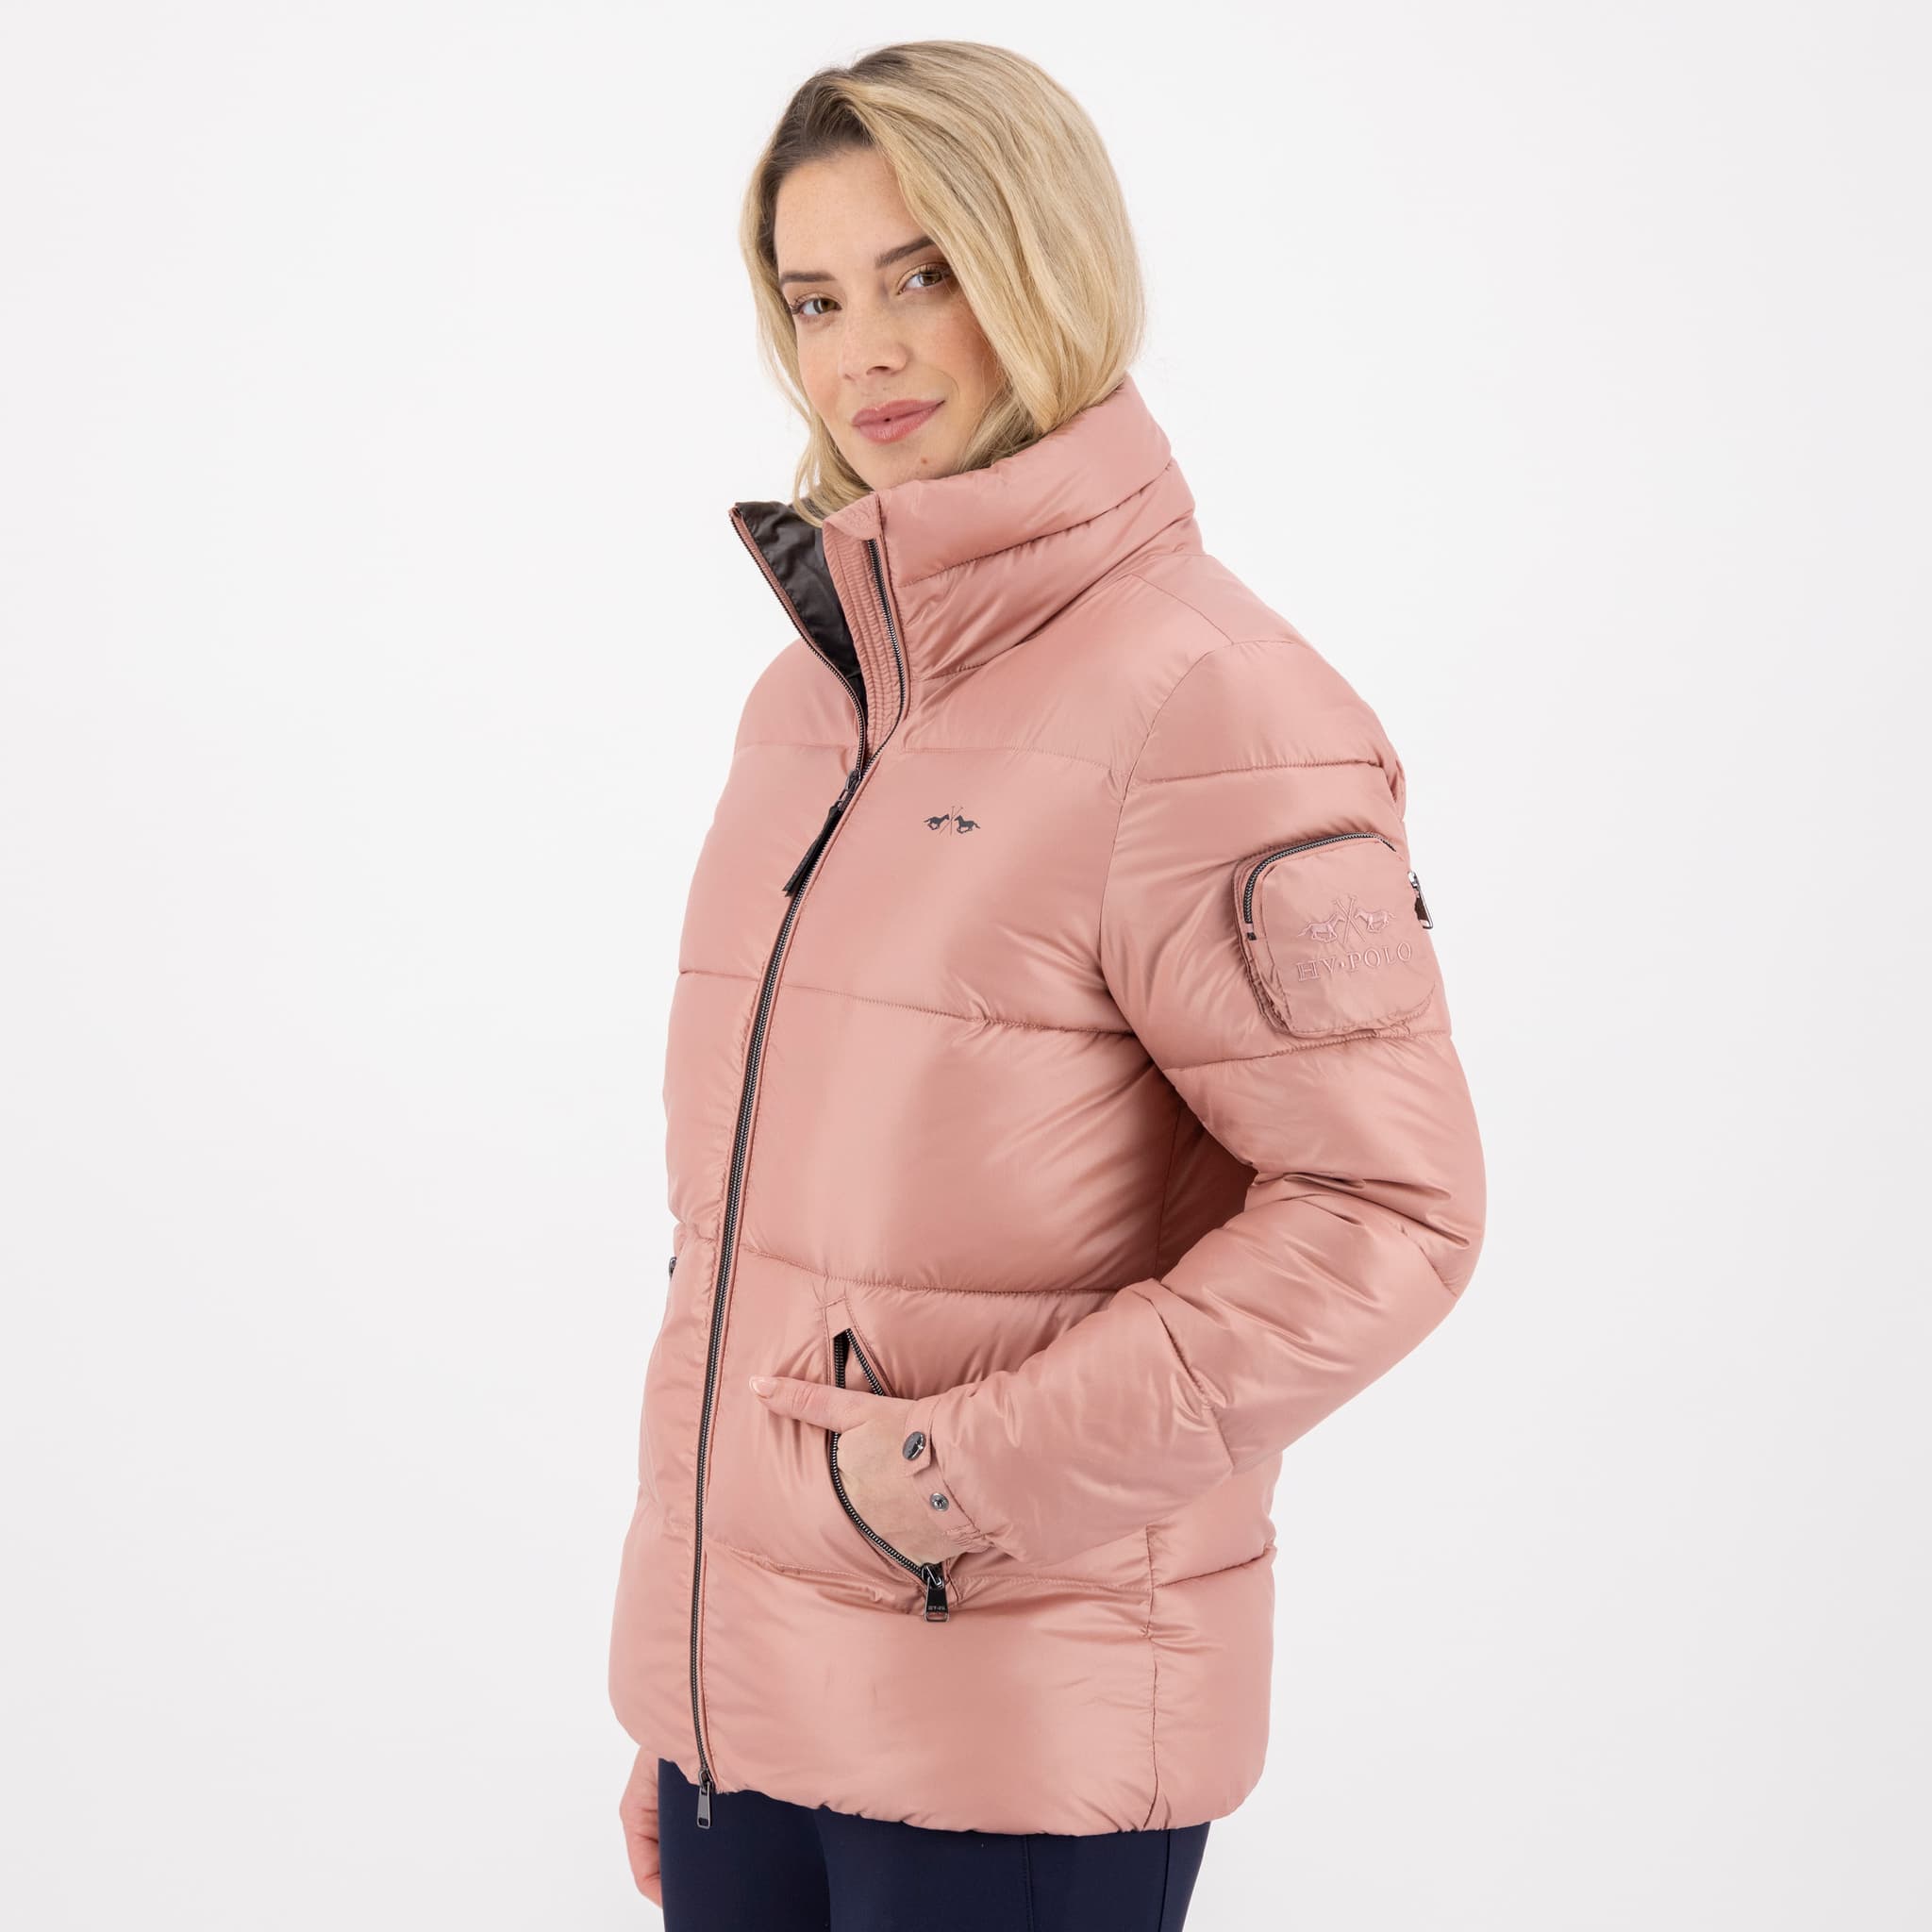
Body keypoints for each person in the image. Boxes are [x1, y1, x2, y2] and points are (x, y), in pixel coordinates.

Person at [609, 39, 1486, 1930]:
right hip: (746, 1723)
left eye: (923, 273)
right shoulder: (807, 706)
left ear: (1044, 265)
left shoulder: (1215, 704)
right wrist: (693, 1678)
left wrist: (943, 1483)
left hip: (1015, 1734)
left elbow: (1388, 1210)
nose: (865, 350)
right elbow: (758, 1246)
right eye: (814, 299)